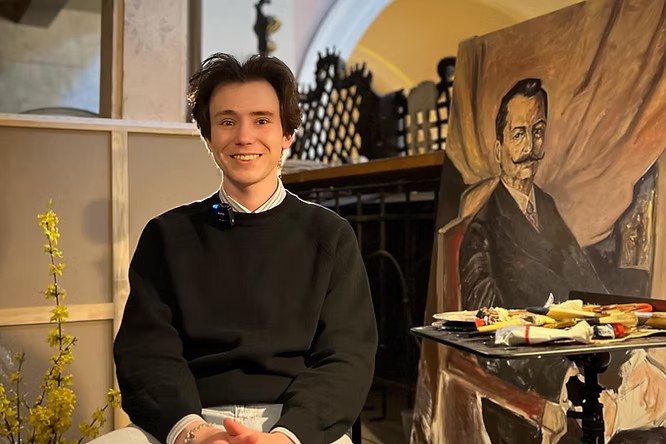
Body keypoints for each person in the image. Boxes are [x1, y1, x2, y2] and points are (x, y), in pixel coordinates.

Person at [91, 53, 377, 444]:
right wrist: (195, 432)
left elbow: (347, 357)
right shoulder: (166, 235)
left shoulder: (330, 234)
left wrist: (286, 436)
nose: (244, 137)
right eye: (227, 121)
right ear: (208, 137)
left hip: (296, 424)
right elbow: (146, 353)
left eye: (262, 120)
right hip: (192, 419)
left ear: (286, 133)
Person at [458, 78, 606, 311]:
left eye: (537, 132)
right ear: (498, 150)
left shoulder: (546, 204)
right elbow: (485, 321)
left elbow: (587, 281)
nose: (529, 147)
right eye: (518, 135)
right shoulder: (481, 231)